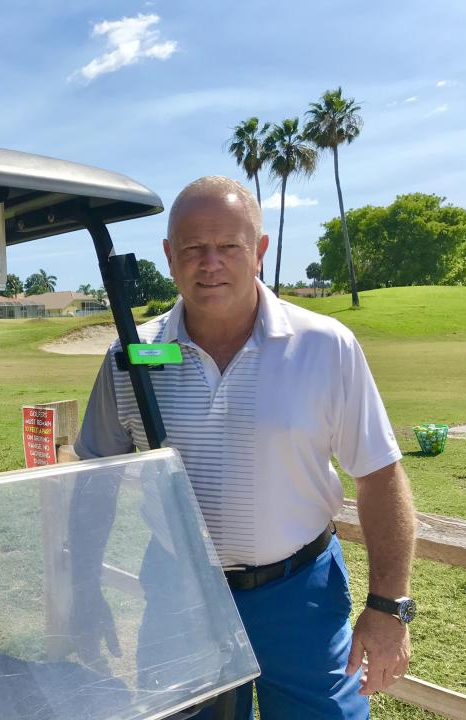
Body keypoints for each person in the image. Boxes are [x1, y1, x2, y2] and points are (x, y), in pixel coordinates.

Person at [72, 176, 416, 719]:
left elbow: (379, 475)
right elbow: (95, 482)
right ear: (168, 256)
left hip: (299, 594)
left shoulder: (325, 346)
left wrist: (388, 605)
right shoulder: (131, 357)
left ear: (258, 250)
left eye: (229, 246)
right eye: (192, 248)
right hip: (177, 595)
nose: (210, 263)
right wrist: (83, 585)